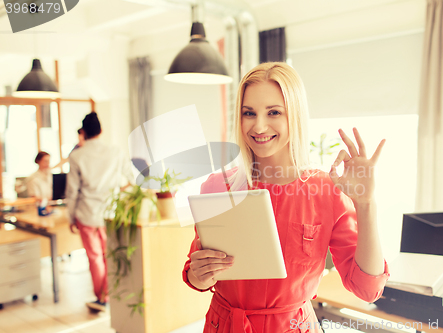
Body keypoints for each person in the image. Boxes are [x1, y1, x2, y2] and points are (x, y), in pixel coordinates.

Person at [183, 62, 390, 332]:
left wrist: (366, 204)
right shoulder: (218, 185)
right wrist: (197, 275)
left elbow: (367, 289)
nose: (259, 126)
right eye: (249, 113)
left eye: (273, 112)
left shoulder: (326, 191)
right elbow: (196, 273)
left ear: (294, 115)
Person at [65, 112, 134, 312]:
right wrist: (116, 191)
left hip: (86, 214)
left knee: (95, 257)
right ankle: (107, 295)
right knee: (109, 256)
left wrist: (70, 216)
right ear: (101, 131)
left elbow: (72, 191)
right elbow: (131, 178)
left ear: (84, 132)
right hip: (111, 213)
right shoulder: (115, 151)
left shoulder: (77, 156)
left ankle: (102, 298)